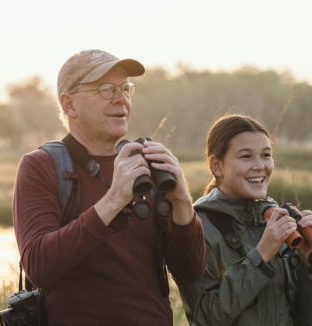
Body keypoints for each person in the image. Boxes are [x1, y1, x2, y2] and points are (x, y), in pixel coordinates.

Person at [12, 49, 206, 325]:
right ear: (69, 105)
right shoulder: (41, 166)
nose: (121, 99)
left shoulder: (146, 165)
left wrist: (182, 201)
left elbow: (191, 271)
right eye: (105, 90)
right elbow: (39, 266)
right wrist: (113, 200)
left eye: (125, 88)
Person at [178, 114, 312, 325]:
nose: (260, 166)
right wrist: (261, 255)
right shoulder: (198, 229)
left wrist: (309, 264)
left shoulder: (276, 220)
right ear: (217, 166)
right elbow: (206, 317)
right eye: (246, 156)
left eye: (266, 155)